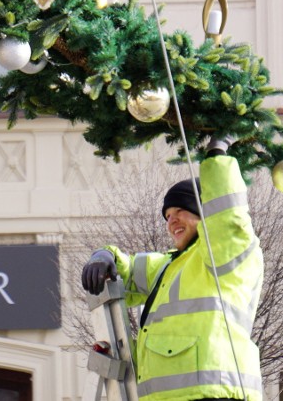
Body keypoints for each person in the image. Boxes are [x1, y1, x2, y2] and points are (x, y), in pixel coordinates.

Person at [81, 138, 264, 400]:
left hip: (213, 394)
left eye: (181, 211)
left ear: (205, 213)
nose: (172, 221)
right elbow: (128, 270)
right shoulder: (169, 266)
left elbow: (227, 217)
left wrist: (217, 155)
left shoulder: (224, 254)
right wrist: (104, 255)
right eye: (168, 216)